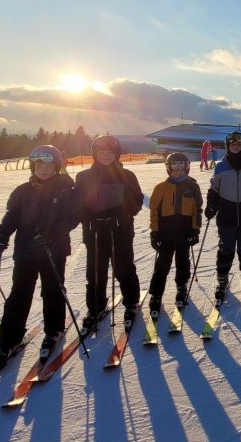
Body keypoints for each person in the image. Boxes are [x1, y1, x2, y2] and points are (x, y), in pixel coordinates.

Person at [0, 145, 79, 370]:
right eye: (40, 165)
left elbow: (73, 217)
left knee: (52, 290)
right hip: (26, 250)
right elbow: (12, 217)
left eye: (49, 165)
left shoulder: (66, 189)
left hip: (53, 249)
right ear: (33, 165)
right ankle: (8, 341)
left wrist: (54, 233)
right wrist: (1, 235)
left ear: (56, 166)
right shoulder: (22, 191)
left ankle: (54, 329)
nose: (44, 169)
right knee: (19, 293)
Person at [75, 135, 144, 335]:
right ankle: (95, 307)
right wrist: (87, 217)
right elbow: (77, 203)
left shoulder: (127, 175)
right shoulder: (84, 177)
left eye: (110, 152)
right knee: (95, 270)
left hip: (119, 229)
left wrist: (121, 213)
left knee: (123, 267)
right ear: (95, 154)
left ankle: (131, 302)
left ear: (116, 154)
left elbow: (137, 200)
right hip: (94, 230)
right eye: (101, 152)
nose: (106, 156)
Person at [204, 131, 241, 308]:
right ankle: (222, 282)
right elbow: (214, 189)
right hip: (226, 216)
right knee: (226, 250)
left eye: (239, 145)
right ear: (228, 147)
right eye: (233, 145)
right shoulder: (221, 167)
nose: (236, 147)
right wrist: (211, 206)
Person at [148, 152, 202, 319]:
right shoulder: (161, 188)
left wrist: (195, 230)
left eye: (181, 165)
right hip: (166, 232)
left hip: (184, 230)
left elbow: (197, 210)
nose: (177, 169)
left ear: (186, 167)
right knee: (162, 264)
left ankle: (181, 286)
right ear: (168, 168)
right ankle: (156, 294)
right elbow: (154, 211)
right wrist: (155, 232)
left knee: (183, 260)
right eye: (174, 166)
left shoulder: (193, 186)